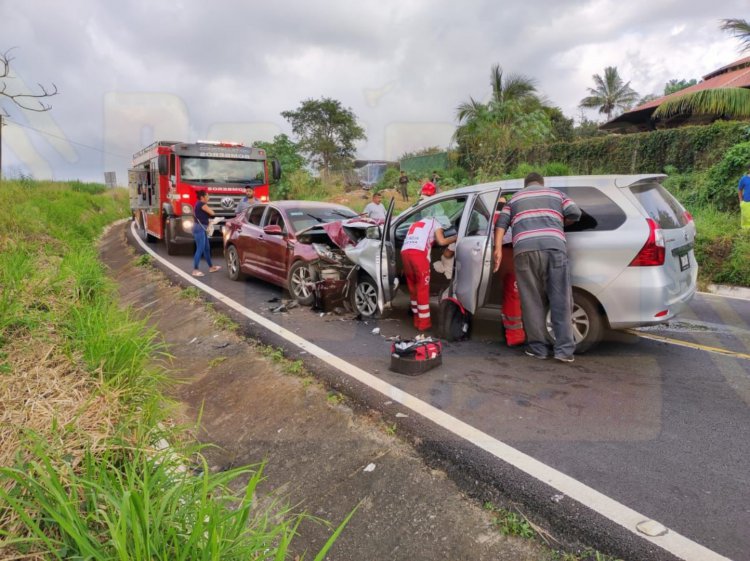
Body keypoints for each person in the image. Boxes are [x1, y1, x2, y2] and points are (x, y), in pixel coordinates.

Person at [493, 172, 581, 362]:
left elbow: (501, 224)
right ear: (542, 183)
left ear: (525, 185)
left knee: (531, 301)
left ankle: (538, 349)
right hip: (554, 249)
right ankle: (564, 351)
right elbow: (576, 213)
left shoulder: (515, 199)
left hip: (524, 252)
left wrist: (498, 250)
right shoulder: (557, 194)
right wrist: (559, 222)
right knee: (561, 299)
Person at [401, 212, 457, 331]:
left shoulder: (416, 223)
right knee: (422, 287)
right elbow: (441, 241)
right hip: (419, 254)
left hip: (405, 252)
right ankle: (424, 324)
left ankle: (417, 319)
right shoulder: (436, 223)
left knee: (413, 287)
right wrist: (456, 238)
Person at [192, 190, 222, 277]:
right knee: (200, 249)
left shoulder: (199, 204)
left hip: (202, 228)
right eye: (207, 196)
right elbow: (212, 213)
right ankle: (195, 270)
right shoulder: (202, 204)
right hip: (199, 228)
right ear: (202, 197)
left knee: (207, 248)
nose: (208, 198)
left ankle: (211, 267)